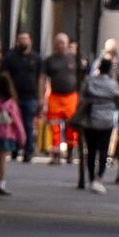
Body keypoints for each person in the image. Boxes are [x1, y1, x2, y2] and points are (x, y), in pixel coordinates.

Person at [79, 58, 119, 194]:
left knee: (91, 150)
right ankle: (99, 177)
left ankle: (91, 177)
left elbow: (82, 95)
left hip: (90, 120)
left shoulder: (89, 81)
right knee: (103, 150)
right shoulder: (113, 84)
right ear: (110, 70)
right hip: (107, 121)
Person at [2, 31, 42, 163]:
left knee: (28, 124)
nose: (23, 42)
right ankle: (14, 149)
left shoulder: (36, 58)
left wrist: (40, 97)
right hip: (13, 97)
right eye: (20, 39)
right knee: (13, 123)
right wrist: (11, 91)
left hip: (30, 97)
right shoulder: (10, 57)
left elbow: (41, 78)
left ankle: (28, 151)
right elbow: (6, 76)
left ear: (30, 41)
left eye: (25, 39)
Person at [42, 33, 79, 163]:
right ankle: (56, 153)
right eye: (58, 42)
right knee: (54, 126)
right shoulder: (49, 60)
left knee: (72, 126)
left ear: (67, 44)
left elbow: (82, 77)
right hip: (55, 97)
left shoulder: (74, 59)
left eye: (63, 42)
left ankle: (70, 152)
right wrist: (41, 97)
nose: (60, 45)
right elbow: (43, 78)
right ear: (54, 44)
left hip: (71, 97)